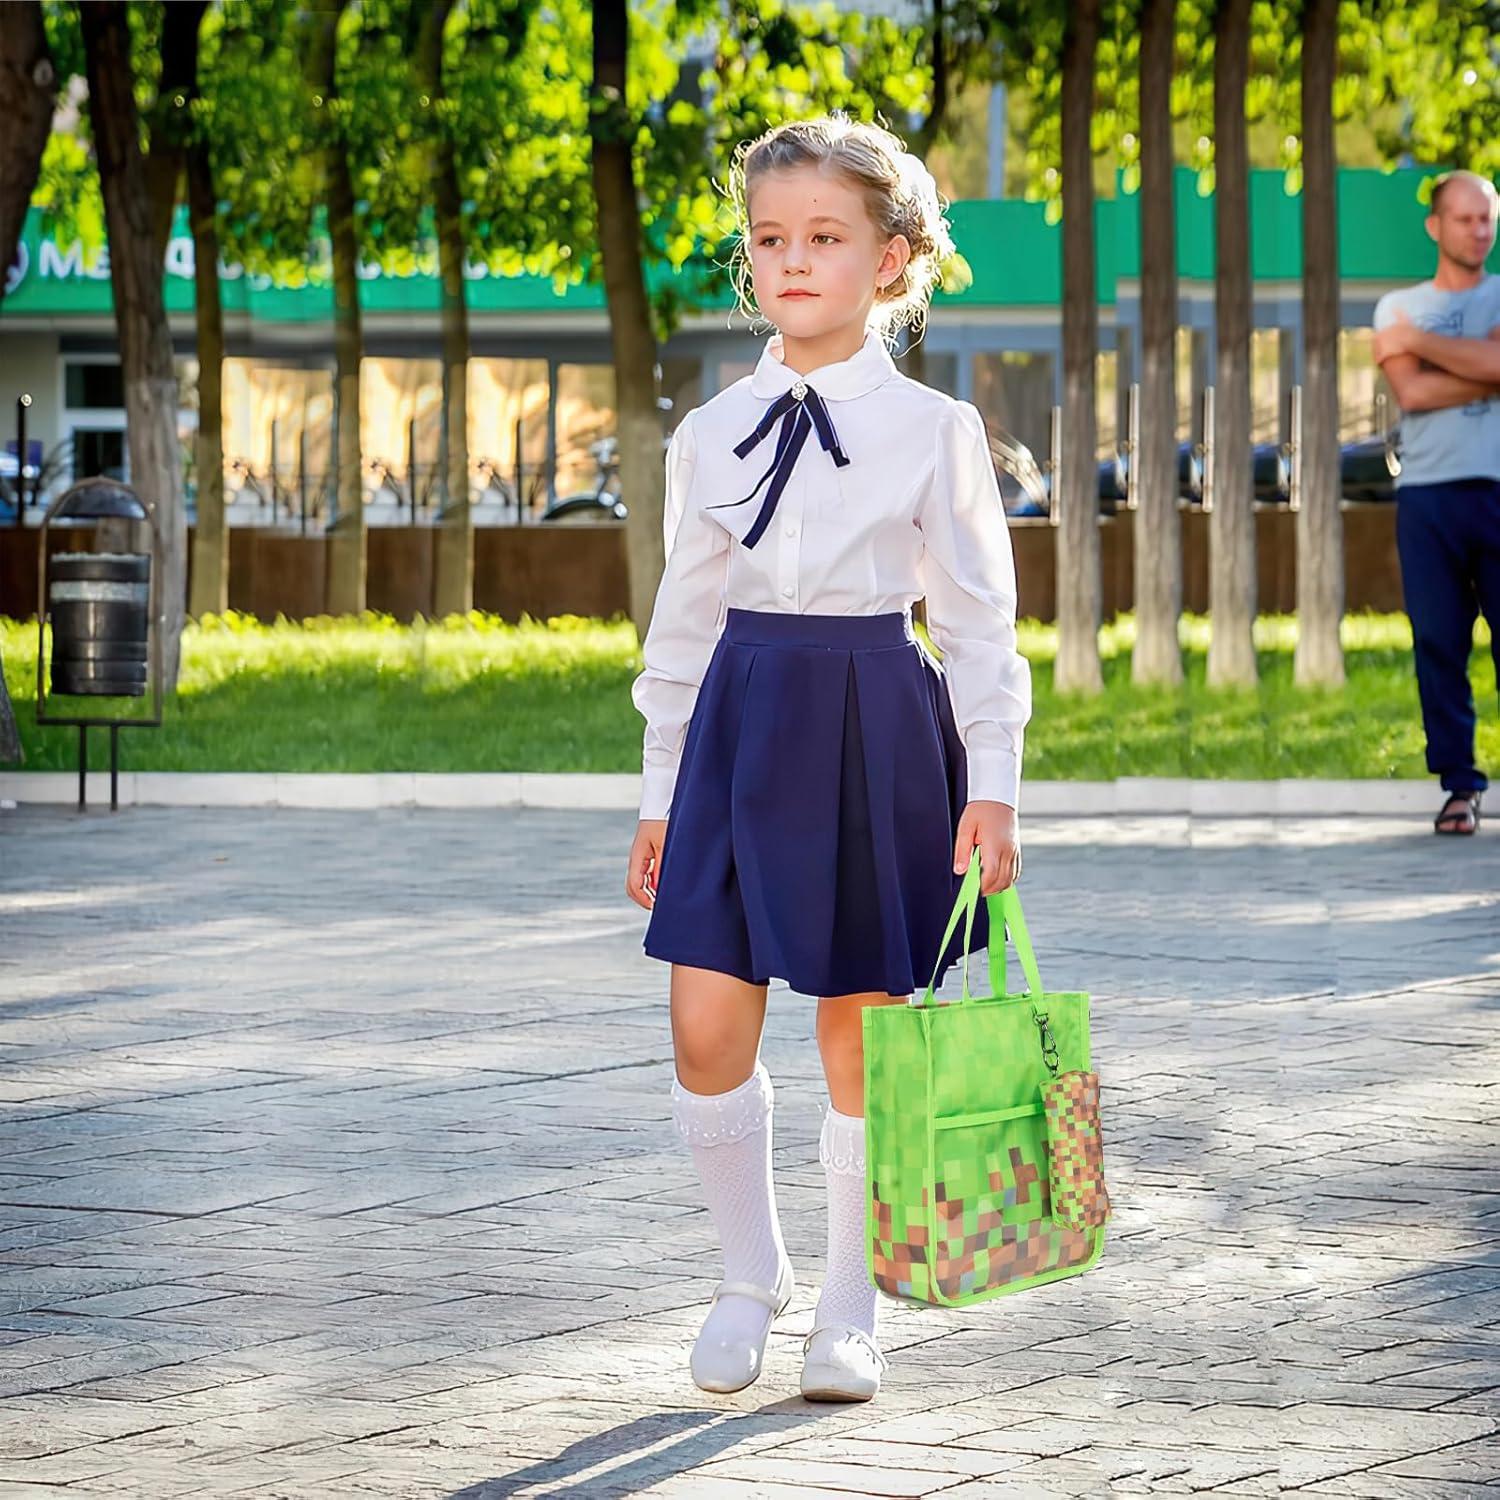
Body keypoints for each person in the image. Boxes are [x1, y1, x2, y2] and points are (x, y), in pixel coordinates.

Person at [623, 114, 1030, 1403]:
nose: (792, 261)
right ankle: (752, 1276)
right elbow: (682, 626)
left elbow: (974, 622)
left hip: (875, 728)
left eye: (825, 238)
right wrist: (655, 792)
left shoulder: (934, 432)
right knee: (704, 1025)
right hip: (739, 728)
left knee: (860, 1033)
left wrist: (994, 781)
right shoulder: (710, 431)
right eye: (769, 239)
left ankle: (850, 1305)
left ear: (892, 261)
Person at [1373, 170, 1500, 836]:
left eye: (1488, 218)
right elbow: (1412, 397)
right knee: (1439, 644)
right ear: (1436, 227)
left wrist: (1421, 347)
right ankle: (1460, 785)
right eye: (1465, 219)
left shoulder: (1408, 324)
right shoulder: (1397, 302)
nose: (1479, 230)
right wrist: (1480, 365)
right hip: (1427, 498)